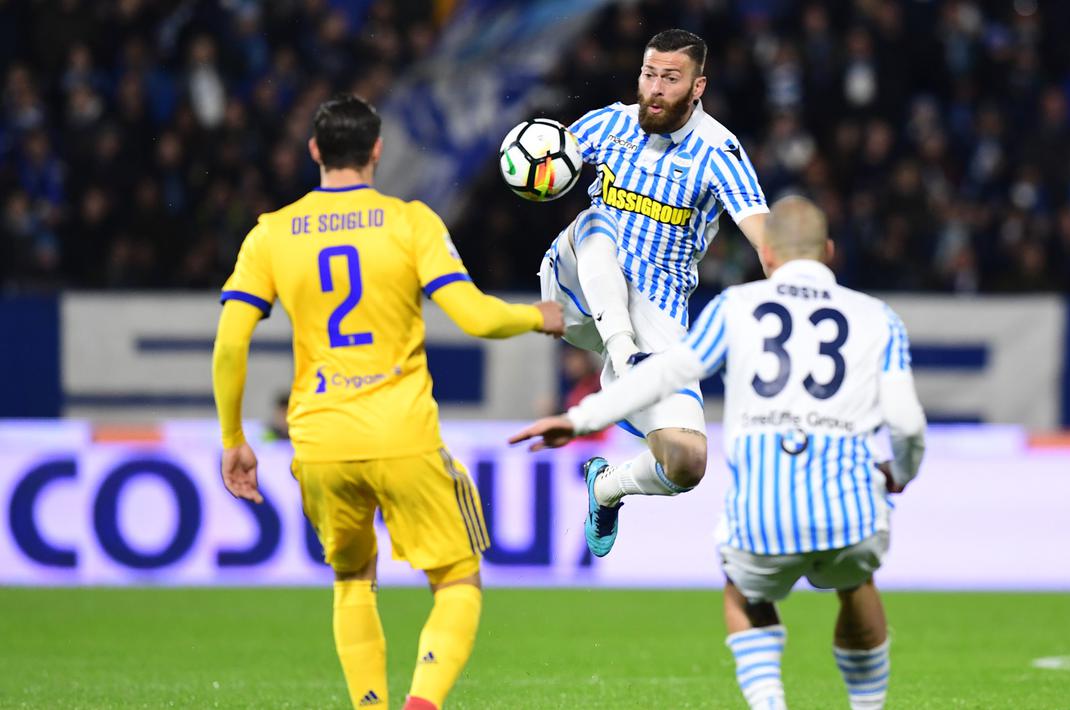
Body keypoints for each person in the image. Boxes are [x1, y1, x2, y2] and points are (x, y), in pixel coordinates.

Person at [211, 93, 563, 710]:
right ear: (377, 150)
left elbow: (229, 345)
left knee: (351, 578)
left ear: (316, 150)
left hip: (319, 440)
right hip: (403, 433)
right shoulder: (409, 223)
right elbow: (475, 318)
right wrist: (539, 316)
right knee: (457, 579)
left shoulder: (270, 233)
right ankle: (421, 703)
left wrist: (233, 439)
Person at [513, 196, 926, 710]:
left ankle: (770, 704)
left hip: (762, 516)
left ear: (767, 254)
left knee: (745, 593)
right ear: (830, 252)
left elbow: (664, 372)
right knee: (856, 585)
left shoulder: (737, 308)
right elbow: (908, 423)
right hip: (851, 510)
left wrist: (579, 419)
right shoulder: (878, 318)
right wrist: (899, 472)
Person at [541, 28, 769, 556]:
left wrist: (795, 281)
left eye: (671, 79)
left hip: (655, 314)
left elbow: (763, 235)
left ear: (698, 87)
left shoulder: (719, 151)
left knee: (687, 462)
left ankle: (605, 488)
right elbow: (548, 161)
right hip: (577, 286)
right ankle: (624, 359)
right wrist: (535, 167)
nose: (656, 89)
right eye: (650, 75)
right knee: (599, 223)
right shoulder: (609, 122)